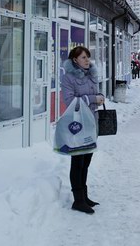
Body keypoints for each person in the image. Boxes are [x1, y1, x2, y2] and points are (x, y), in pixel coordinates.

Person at [61, 46, 104, 214]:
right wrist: (94, 98)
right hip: (78, 126)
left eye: (88, 57)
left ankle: (84, 196)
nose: (87, 60)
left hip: (92, 123)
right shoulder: (68, 78)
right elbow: (70, 101)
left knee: (86, 162)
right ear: (75, 60)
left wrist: (100, 97)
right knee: (77, 163)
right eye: (84, 57)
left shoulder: (91, 75)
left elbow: (96, 94)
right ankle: (77, 200)